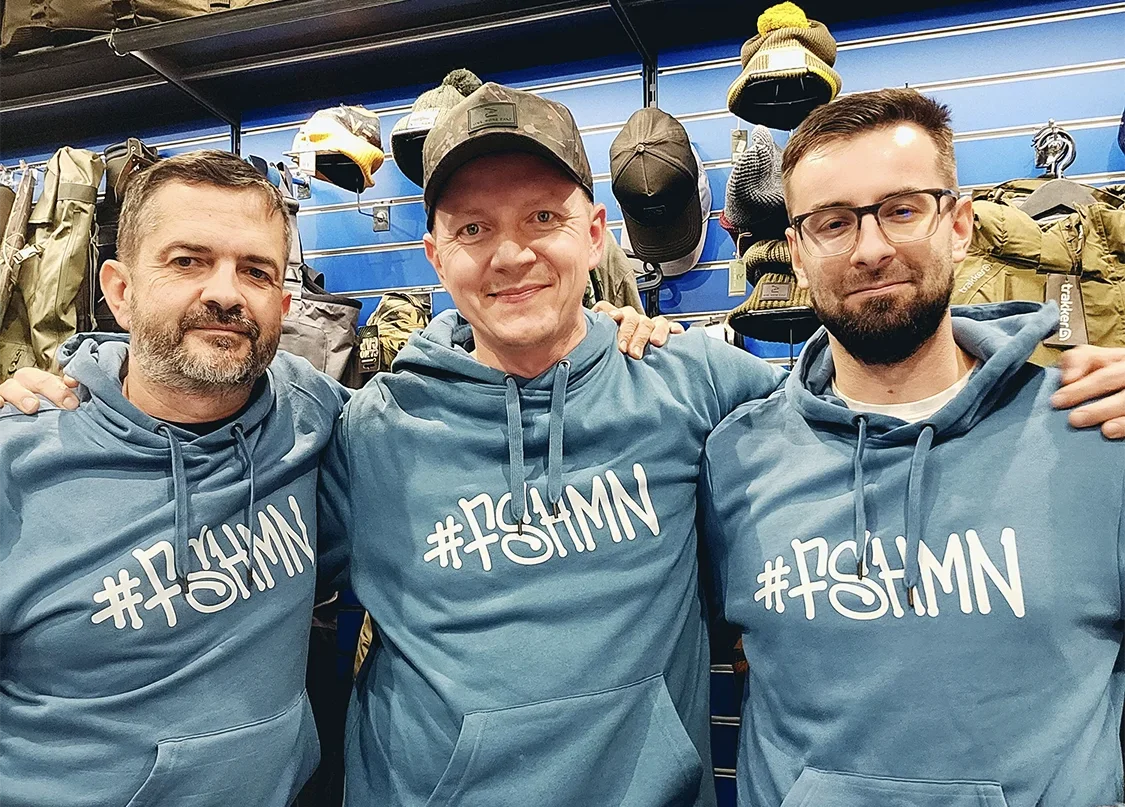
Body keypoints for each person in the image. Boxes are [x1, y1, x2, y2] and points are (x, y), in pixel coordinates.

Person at [313, 81, 1125, 807]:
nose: (512, 253)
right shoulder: (368, 429)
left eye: (543, 218)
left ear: (593, 234)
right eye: (473, 227)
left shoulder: (696, 385)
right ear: (435, 255)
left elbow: (884, 380)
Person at [0, 150, 671, 807]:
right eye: (188, 261)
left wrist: (593, 338)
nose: (225, 293)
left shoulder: (316, 416)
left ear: (283, 302)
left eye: (255, 271)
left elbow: (467, 418)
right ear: (120, 290)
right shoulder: (19, 460)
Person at [699, 87, 1125, 807]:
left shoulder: (1094, 432)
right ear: (797, 252)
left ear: (957, 224)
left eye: (901, 210)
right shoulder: (732, 460)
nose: (870, 249)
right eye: (833, 223)